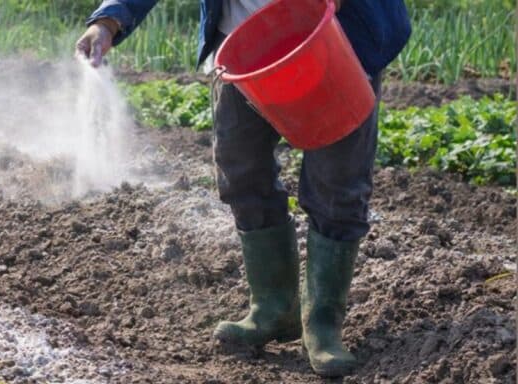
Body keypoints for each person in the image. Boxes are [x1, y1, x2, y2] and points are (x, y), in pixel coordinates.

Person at [76, 0, 411, 378]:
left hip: (334, 33)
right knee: (241, 169)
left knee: (337, 181)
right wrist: (108, 21)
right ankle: (273, 308)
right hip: (243, 41)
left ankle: (323, 325)